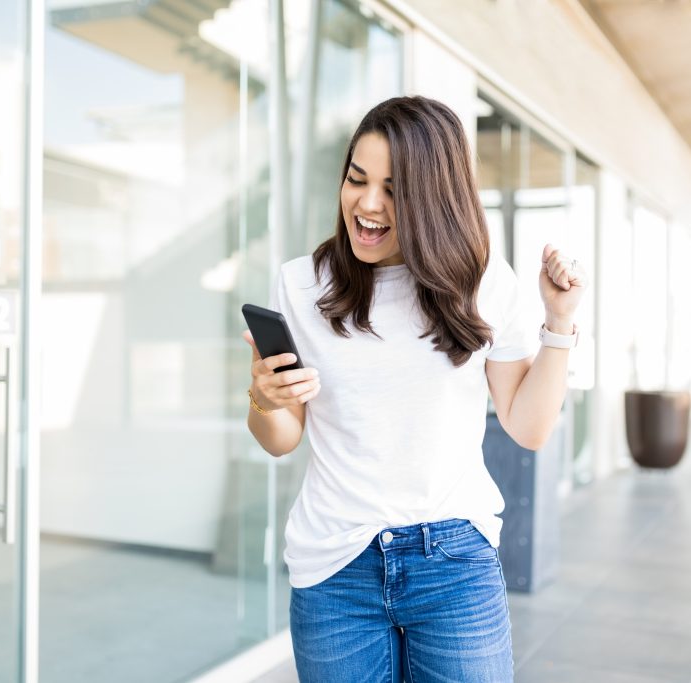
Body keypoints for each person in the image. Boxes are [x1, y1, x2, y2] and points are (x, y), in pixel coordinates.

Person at [243, 96, 587, 683]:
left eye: (394, 190)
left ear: (434, 198)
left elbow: (528, 427)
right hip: (335, 569)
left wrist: (559, 321)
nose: (367, 205)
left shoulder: (483, 285)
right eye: (357, 179)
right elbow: (281, 439)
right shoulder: (301, 286)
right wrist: (263, 400)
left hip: (454, 562)